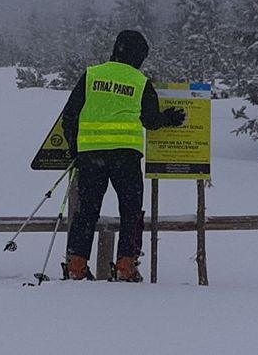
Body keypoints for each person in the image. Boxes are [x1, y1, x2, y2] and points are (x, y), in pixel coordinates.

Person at [61, 30, 185, 282]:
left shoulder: (92, 75)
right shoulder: (140, 82)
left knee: (87, 211)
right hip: (126, 158)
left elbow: (70, 115)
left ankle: (76, 266)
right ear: (139, 55)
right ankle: (126, 266)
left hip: (91, 156)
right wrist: (169, 119)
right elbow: (150, 121)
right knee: (130, 211)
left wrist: (75, 148)